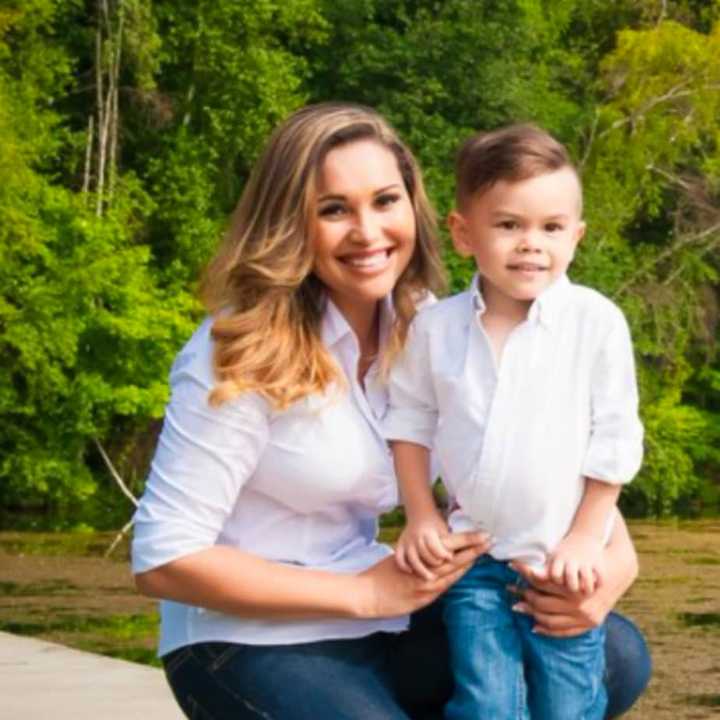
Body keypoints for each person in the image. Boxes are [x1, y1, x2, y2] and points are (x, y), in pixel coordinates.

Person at [131, 104, 650, 720]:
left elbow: (542, 450)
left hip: (387, 611)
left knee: (613, 652)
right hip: (247, 638)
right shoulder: (239, 349)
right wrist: (363, 593)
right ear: (290, 222)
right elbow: (165, 559)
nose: (368, 232)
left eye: (385, 201)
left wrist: (613, 564)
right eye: (333, 209)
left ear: (414, 208)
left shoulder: (432, 324)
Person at [384, 124, 645, 720]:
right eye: (509, 225)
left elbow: (615, 438)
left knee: (569, 700)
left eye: (551, 228)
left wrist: (586, 538)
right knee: (487, 702)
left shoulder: (594, 323)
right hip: (472, 558)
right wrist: (420, 515)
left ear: (576, 237)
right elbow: (410, 421)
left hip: (562, 561)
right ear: (463, 233)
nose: (531, 244)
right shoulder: (437, 329)